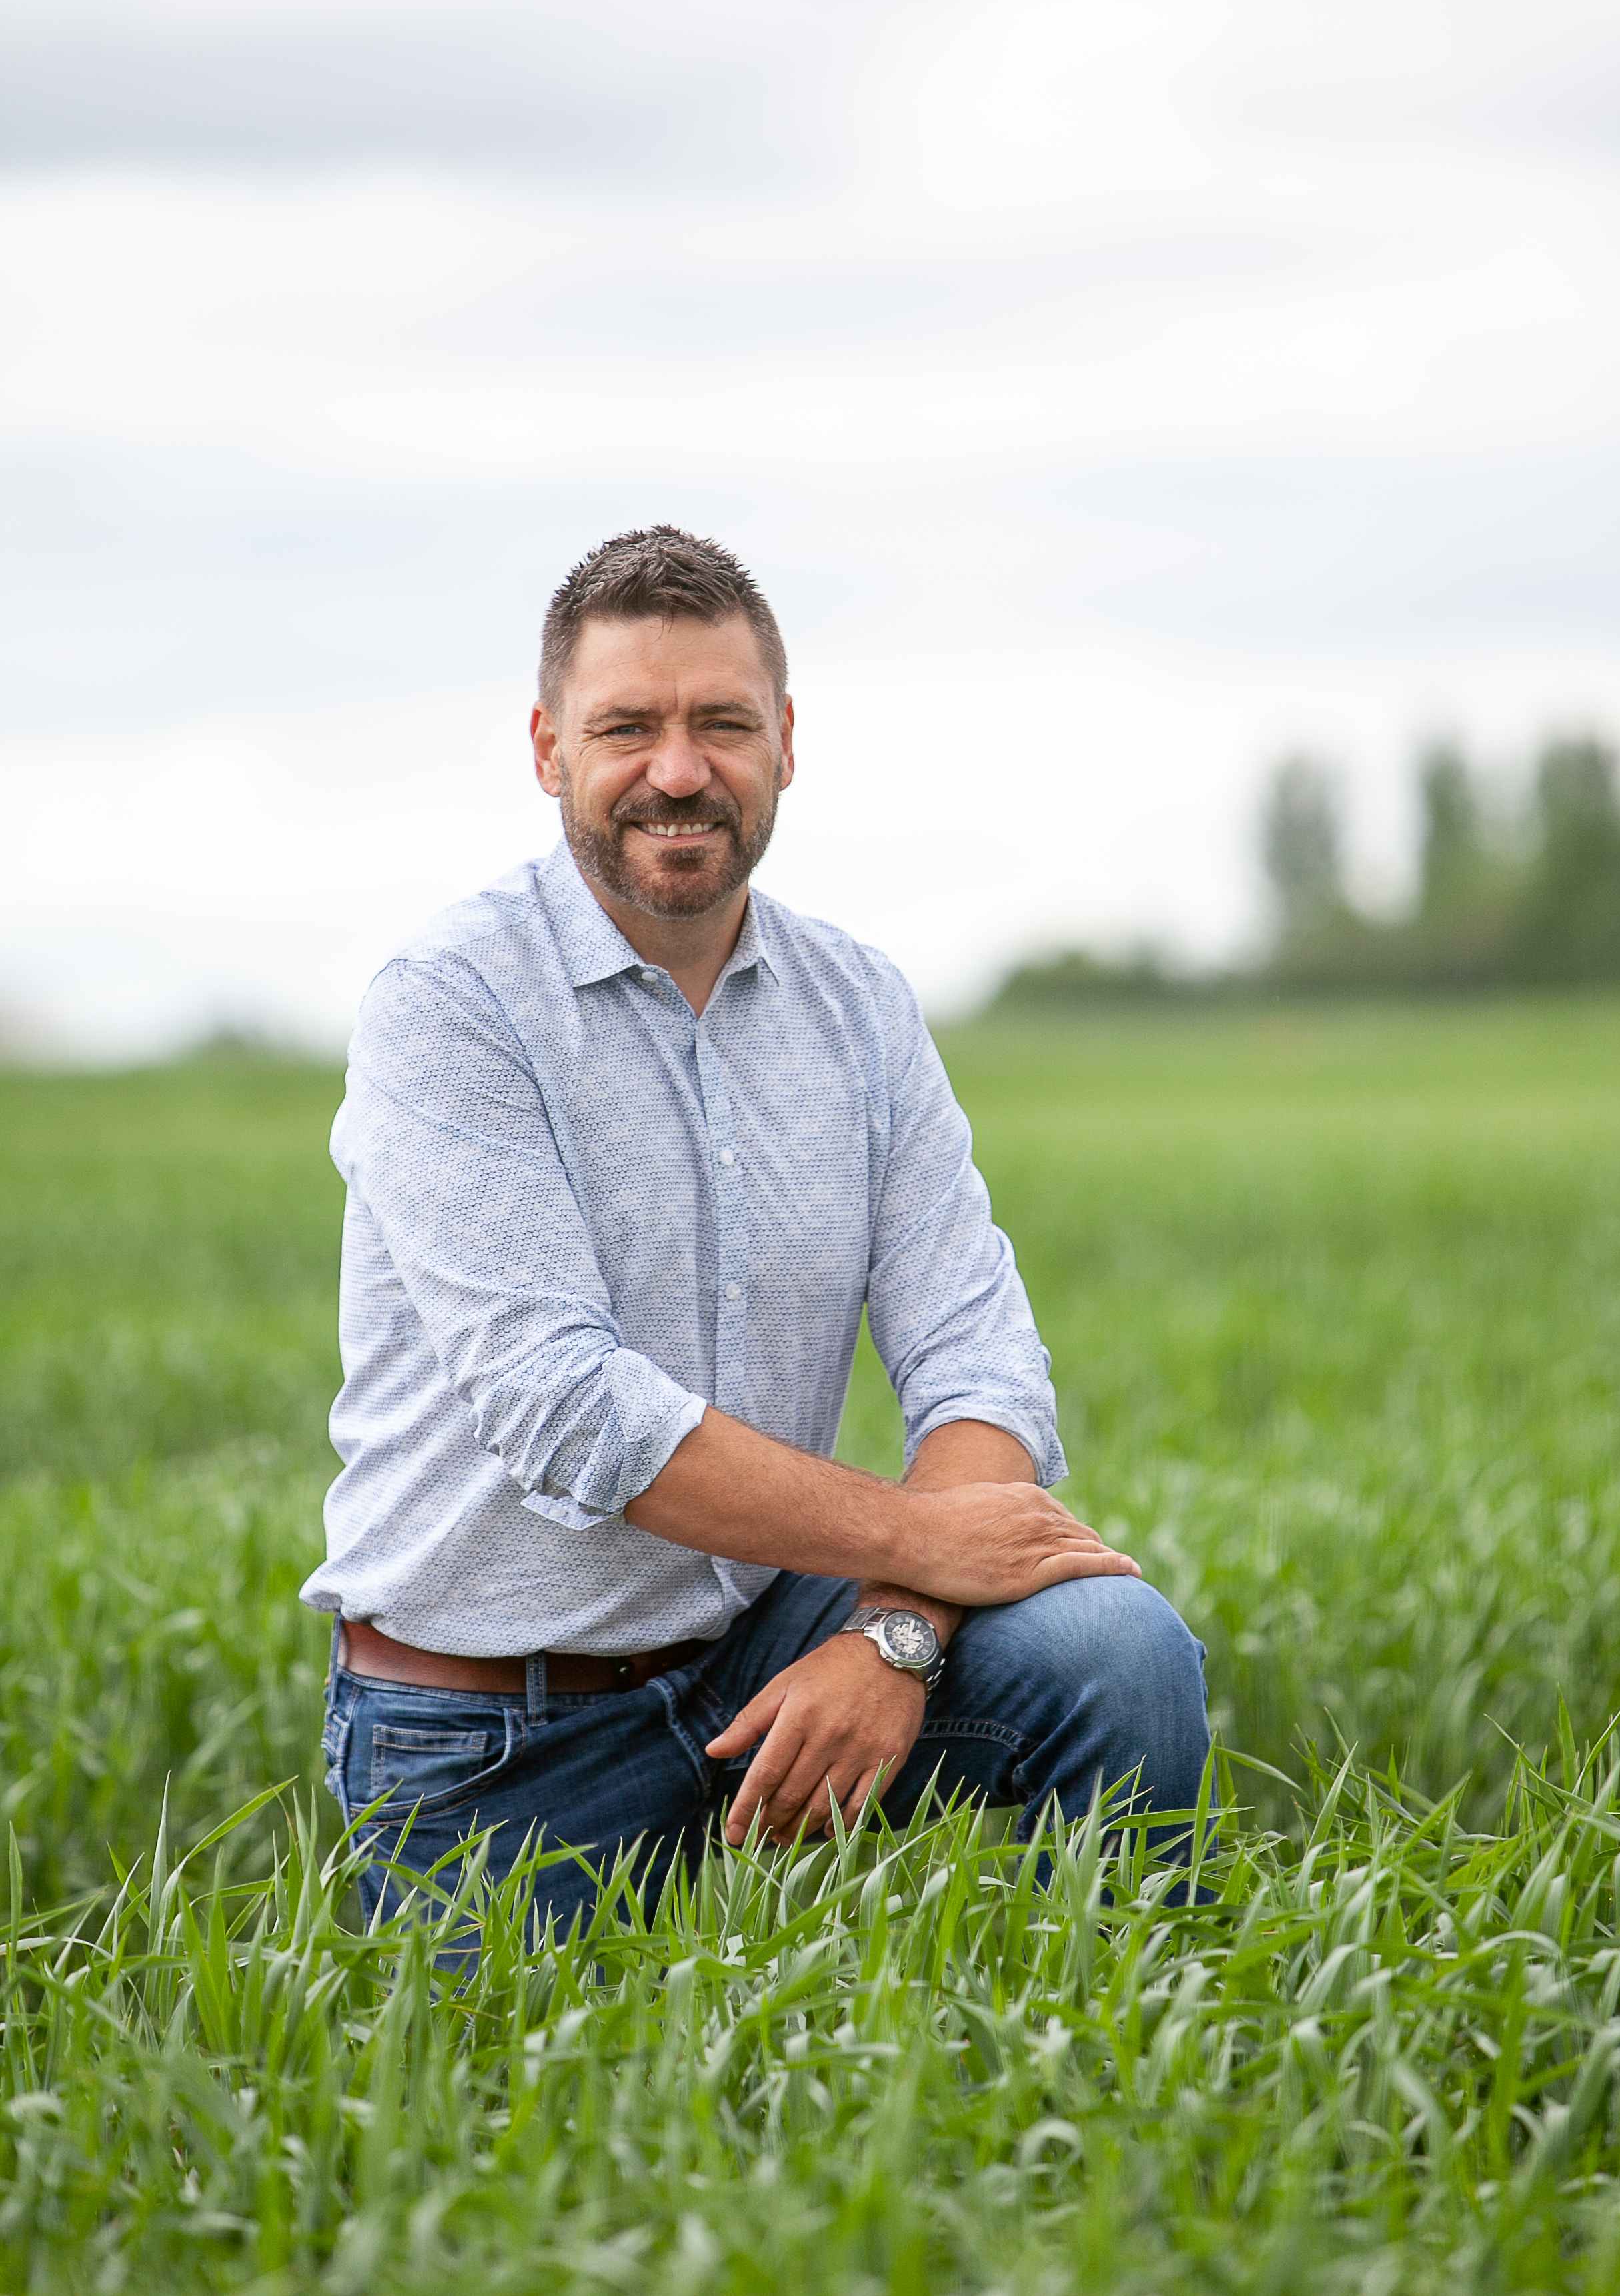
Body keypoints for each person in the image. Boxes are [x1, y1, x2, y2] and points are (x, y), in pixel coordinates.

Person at [305, 526, 1209, 1930]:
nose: (680, 768)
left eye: (722, 722)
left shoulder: (859, 1007)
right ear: (549, 749)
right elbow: (567, 1405)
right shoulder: (451, 1003)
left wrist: (896, 1632)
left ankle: (1101, 2074)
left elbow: (983, 1364)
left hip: (770, 1652)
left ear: (784, 741)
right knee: (504, 2131)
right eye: (629, 727)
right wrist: (923, 1537)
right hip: (495, 1737)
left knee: (1118, 1650)